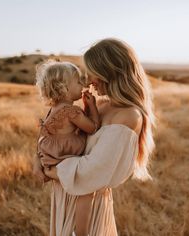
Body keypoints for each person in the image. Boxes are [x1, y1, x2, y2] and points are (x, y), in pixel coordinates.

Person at [40, 38, 155, 236]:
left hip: (88, 204)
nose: (89, 80)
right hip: (66, 195)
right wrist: (40, 160)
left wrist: (53, 171)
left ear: (109, 72)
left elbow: (93, 170)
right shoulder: (101, 106)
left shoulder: (129, 116)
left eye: (92, 72)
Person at [33, 60, 100, 236]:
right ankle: (82, 232)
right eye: (78, 82)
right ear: (64, 88)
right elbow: (92, 128)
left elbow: (42, 137)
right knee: (86, 190)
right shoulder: (72, 111)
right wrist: (91, 107)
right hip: (62, 158)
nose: (83, 85)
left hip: (50, 157)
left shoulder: (53, 109)